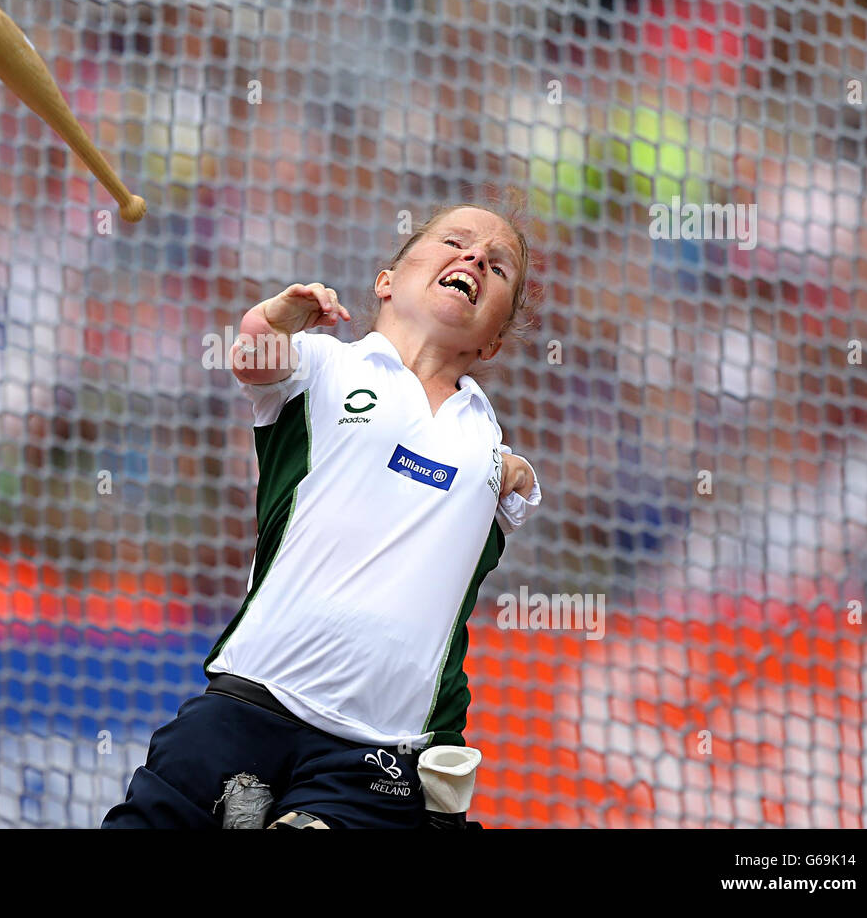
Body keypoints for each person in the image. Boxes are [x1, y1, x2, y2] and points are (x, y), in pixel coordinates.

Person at [102, 202, 541, 829]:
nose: (473, 258)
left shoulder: (487, 442)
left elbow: (501, 499)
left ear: (493, 339)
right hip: (247, 701)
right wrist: (267, 318)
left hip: (373, 755)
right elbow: (254, 361)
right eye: (454, 241)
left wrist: (511, 472)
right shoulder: (327, 364)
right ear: (387, 280)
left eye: (497, 267)